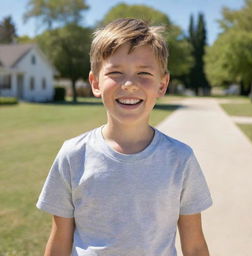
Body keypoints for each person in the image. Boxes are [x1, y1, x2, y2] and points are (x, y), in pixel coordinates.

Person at [36, 18, 212, 256]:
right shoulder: (73, 155)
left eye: (144, 73)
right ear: (95, 82)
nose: (129, 84)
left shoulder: (180, 159)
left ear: (163, 84)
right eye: (116, 73)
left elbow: (195, 246)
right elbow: (59, 243)